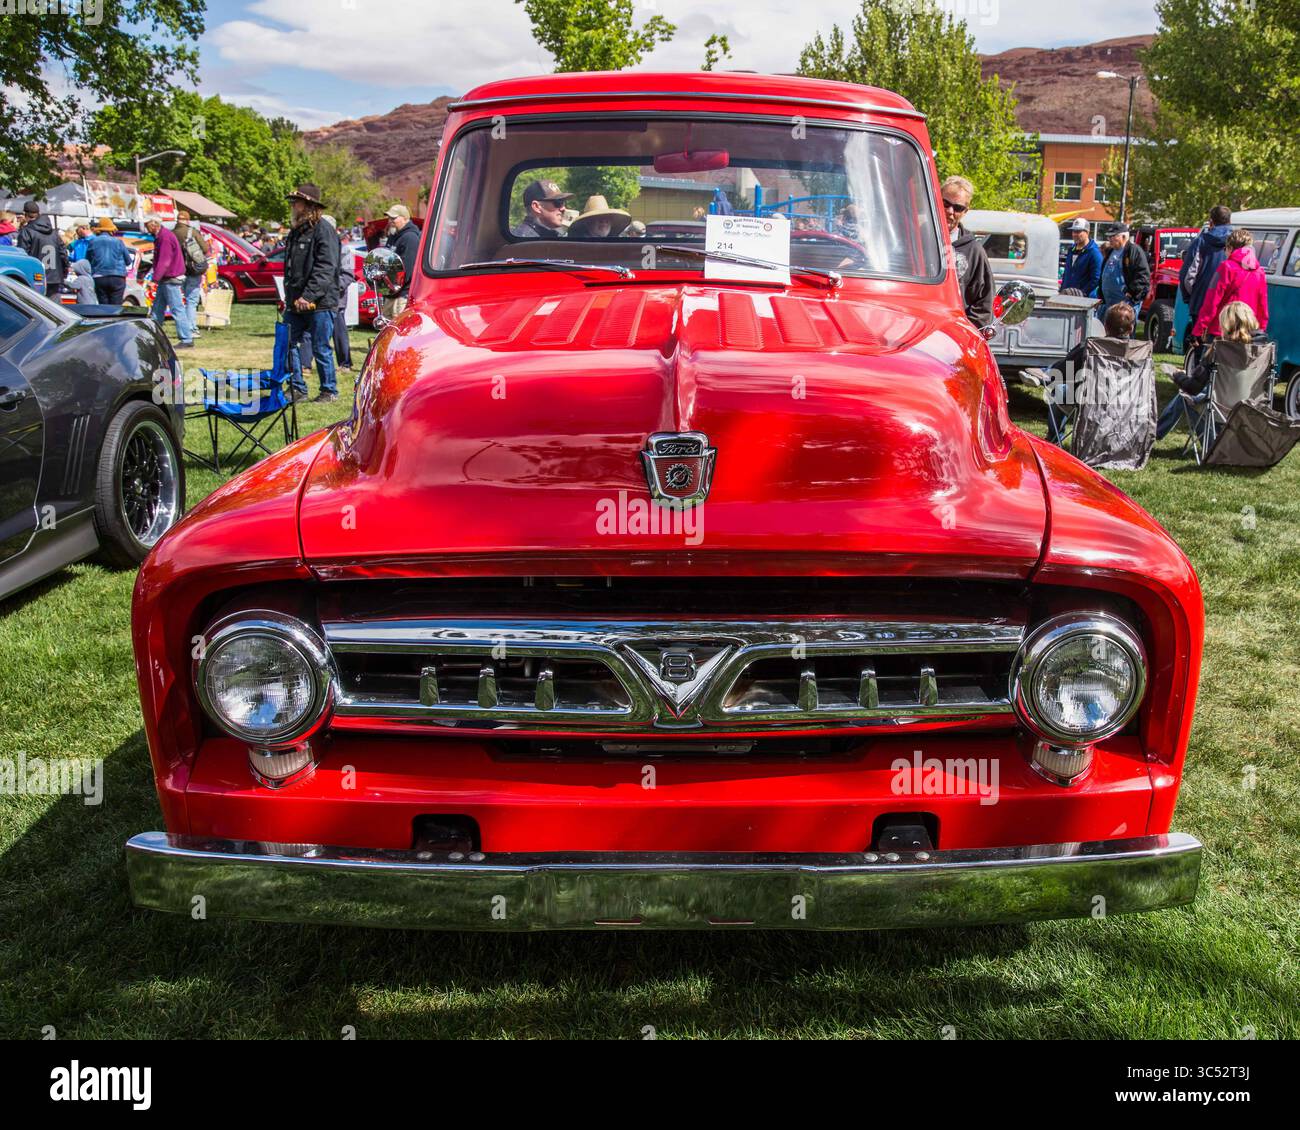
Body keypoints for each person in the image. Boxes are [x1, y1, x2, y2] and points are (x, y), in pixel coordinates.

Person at [1156, 301, 1268, 439]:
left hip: (1221, 409)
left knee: (1185, 396)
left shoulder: (1220, 349)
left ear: (1226, 324)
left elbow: (1193, 388)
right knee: (1202, 394)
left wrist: (1177, 375)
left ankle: (1210, 444)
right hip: (1250, 409)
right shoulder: (1265, 349)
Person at [1042, 302, 1137, 443]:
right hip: (1127, 401)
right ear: (1131, 328)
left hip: (1089, 401)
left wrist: (1050, 375)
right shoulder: (1140, 353)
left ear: (1105, 326)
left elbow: (1065, 370)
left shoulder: (1090, 348)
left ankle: (1054, 438)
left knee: (1058, 388)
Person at [283, 182, 340, 403]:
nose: (293, 206)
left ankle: (329, 390)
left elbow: (326, 268)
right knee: (288, 343)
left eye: (296, 202)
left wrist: (309, 295)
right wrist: (291, 298)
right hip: (295, 301)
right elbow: (291, 267)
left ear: (308, 205)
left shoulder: (324, 230)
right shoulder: (296, 231)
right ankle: (297, 387)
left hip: (320, 302)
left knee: (320, 347)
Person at [1191, 228, 1269, 342]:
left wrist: (1199, 329)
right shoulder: (1259, 272)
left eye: (1225, 249)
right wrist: (1261, 329)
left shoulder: (1226, 267)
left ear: (1230, 248)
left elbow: (1212, 301)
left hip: (1222, 329)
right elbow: (1263, 305)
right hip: (1248, 331)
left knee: (1212, 359)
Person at [940, 175, 994, 328]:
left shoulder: (974, 251)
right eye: (946, 203)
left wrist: (964, 330)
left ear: (965, 211)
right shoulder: (917, 241)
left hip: (954, 339)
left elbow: (984, 303)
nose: (950, 211)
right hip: (919, 334)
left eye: (958, 208)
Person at [1179, 204, 1232, 338]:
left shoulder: (1201, 241)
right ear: (1229, 221)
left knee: (1200, 345)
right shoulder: (1238, 242)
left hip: (1202, 301)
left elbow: (1188, 275)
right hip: (1229, 303)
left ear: (1211, 222)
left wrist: (1191, 297)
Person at [145, 218, 194, 348]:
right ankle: (153, 336)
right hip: (166, 279)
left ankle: (187, 339)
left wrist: (154, 280)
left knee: (176, 309)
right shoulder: (163, 235)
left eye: (147, 226)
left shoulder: (164, 238)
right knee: (157, 309)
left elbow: (164, 261)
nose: (146, 229)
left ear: (154, 224)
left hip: (170, 278)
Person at [1098, 222, 1150, 325]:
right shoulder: (1110, 251)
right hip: (1108, 303)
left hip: (1125, 305)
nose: (1110, 239)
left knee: (1123, 334)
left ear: (1124, 236)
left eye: (1113, 236)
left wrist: (1131, 292)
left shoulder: (1134, 251)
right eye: (1109, 237)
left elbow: (1143, 276)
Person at [17, 200, 70, 296]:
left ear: (25, 214)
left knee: (34, 309)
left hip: (35, 278)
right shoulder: (54, 233)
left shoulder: (26, 232)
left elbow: (22, 256)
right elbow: (63, 254)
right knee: (53, 309)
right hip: (55, 279)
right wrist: (64, 271)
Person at [172, 209, 210, 339]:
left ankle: (182, 329)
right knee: (191, 301)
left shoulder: (171, 233)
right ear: (187, 220)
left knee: (179, 302)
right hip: (193, 270)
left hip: (177, 271)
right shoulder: (192, 232)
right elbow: (205, 249)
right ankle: (191, 328)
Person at [324, 214, 354, 369]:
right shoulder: (318, 246)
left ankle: (345, 362)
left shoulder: (344, 250)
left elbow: (348, 275)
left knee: (339, 332)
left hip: (336, 299)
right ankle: (306, 365)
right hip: (319, 299)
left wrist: (332, 289)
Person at [382, 203, 420, 319]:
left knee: (398, 332)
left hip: (401, 295)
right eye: (389, 218)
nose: (390, 221)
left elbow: (407, 270)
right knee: (386, 330)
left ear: (405, 218)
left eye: (393, 218)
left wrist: (395, 288)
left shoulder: (410, 238)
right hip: (391, 293)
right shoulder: (393, 236)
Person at [85, 217, 133, 304]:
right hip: (117, 277)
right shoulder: (118, 242)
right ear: (111, 229)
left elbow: (87, 260)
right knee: (116, 307)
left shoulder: (92, 242)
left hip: (99, 277)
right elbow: (128, 261)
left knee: (104, 307)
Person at [1061, 218, 1102, 297]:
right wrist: (1062, 290)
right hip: (1066, 296)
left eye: (1078, 231)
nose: (1075, 234)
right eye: (1073, 231)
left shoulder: (1094, 252)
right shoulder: (1071, 250)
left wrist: (1082, 293)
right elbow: (1066, 274)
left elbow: (1096, 279)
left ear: (1087, 232)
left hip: (1082, 299)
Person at [567, 195, 631, 239]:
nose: (604, 222)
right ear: (587, 222)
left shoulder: (615, 246)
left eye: (607, 218)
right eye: (599, 218)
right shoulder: (578, 245)